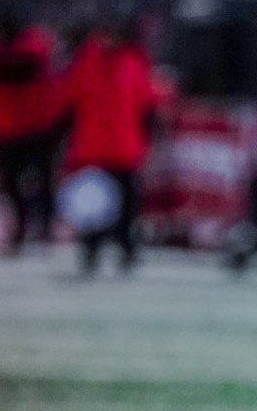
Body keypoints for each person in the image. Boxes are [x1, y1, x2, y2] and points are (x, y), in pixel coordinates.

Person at [56, 20, 172, 271]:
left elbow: (147, 104)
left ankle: (126, 248)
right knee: (91, 204)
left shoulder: (134, 63)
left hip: (124, 147)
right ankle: (91, 249)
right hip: (91, 148)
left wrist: (149, 137)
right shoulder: (85, 62)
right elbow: (68, 101)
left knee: (127, 205)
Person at [0, 9, 58, 249]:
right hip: (8, 128)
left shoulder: (32, 45)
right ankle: (23, 226)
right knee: (12, 184)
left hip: (34, 126)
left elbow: (27, 65)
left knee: (41, 180)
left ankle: (43, 224)